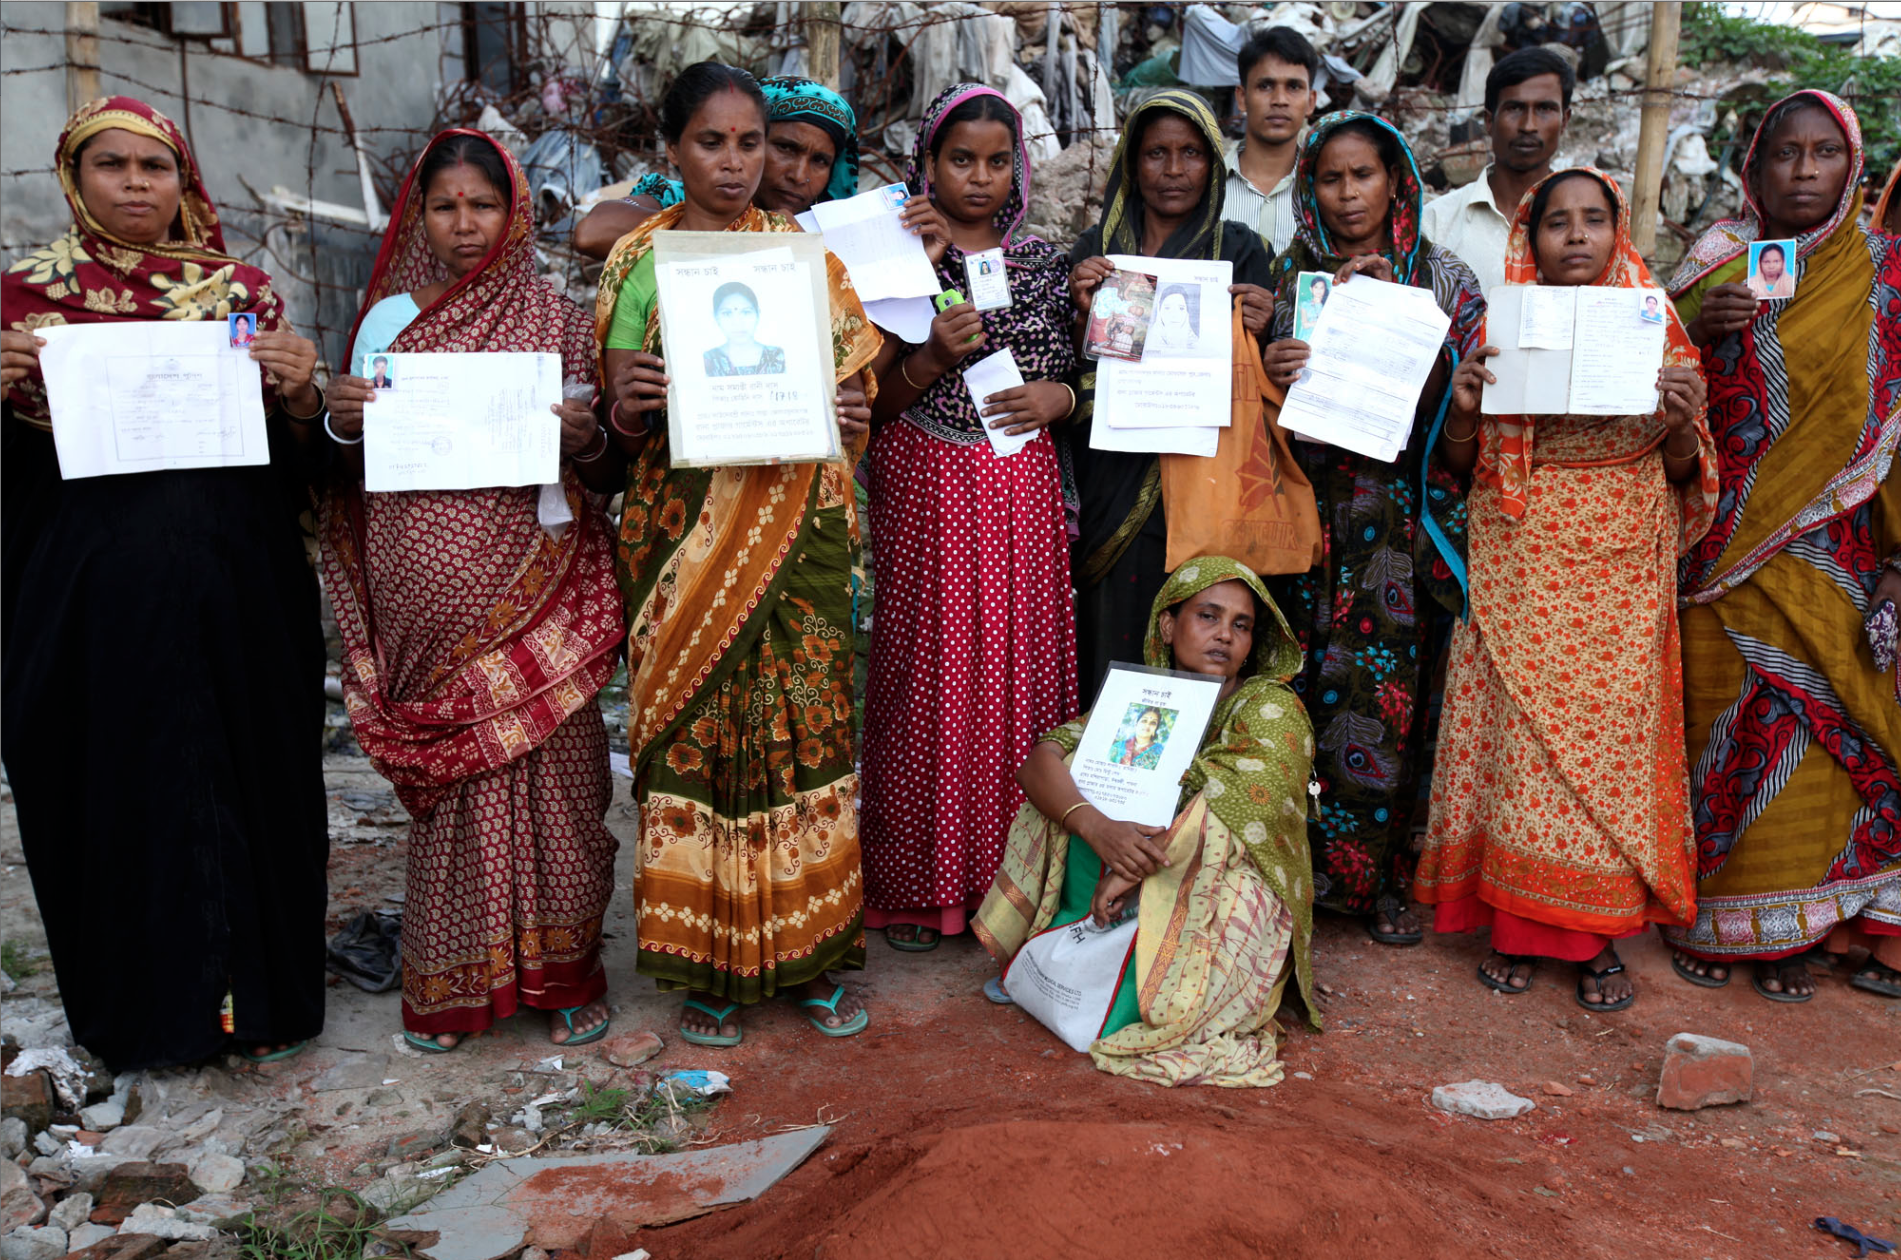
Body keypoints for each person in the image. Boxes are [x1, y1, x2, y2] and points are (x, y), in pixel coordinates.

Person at [0, 96, 329, 1069]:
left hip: (237, 600)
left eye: (156, 168)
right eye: (112, 165)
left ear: (184, 182)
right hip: (90, 613)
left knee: (252, 783)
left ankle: (262, 1009)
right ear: (75, 177)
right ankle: (141, 1023)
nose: (136, 185)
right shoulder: (23, 300)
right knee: (111, 793)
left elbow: (295, 462)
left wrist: (304, 389)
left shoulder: (240, 296)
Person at [320, 130, 626, 1053]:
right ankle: (451, 990)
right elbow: (350, 458)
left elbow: (607, 467)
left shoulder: (561, 320)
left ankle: (566, 975)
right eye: (446, 206)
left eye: (483, 205)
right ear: (419, 215)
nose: (465, 224)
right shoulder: (386, 324)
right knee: (454, 800)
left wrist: (584, 436)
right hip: (425, 587)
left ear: (515, 212)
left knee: (565, 782)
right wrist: (338, 423)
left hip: (540, 585)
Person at [599, 63, 883, 1045]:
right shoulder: (640, 266)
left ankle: (809, 954)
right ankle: (710, 965)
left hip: (795, 537)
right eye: (711, 143)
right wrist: (623, 402)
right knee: (700, 739)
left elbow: (854, 397)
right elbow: (615, 431)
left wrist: (852, 409)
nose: (734, 163)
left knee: (803, 736)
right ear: (671, 151)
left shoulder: (806, 265)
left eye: (749, 143)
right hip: (679, 542)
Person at [1413, 169, 1716, 1009]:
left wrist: (1686, 423)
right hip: (1520, 548)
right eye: (1556, 223)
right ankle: (1515, 927)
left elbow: (1689, 473)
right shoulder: (1504, 328)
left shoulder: (1656, 326)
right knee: (1522, 740)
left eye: (1592, 220)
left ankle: (1594, 936)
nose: (1574, 236)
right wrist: (1468, 407)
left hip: (1620, 553)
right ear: (1529, 236)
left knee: (1606, 747)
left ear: (1616, 232)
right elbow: (1458, 467)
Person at [1664, 90, 1901, 1003]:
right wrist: (1698, 329)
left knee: (1832, 735)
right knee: (1726, 732)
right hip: (1720, 547)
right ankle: (1726, 921)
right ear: (1752, 167)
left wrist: (1892, 560)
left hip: (1834, 551)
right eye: (1783, 155)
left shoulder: (1880, 276)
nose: (1802, 173)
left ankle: (1815, 924)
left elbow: (1891, 426)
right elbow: (1646, 376)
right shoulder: (1710, 265)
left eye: (1822, 155)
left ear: (1852, 169)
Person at [859, 85, 1080, 953]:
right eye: (960, 160)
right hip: (922, 471)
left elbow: (1071, 372)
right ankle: (921, 885)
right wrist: (924, 360)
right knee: (930, 663)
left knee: (1013, 667)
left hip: (1014, 476)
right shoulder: (894, 256)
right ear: (928, 164)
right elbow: (869, 399)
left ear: (1017, 165)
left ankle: (1009, 882)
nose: (979, 178)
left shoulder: (1041, 263)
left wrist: (1056, 396)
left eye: (996, 160)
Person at [1260, 112, 1485, 948]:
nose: (1347, 194)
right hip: (1306, 515)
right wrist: (1275, 365)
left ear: (1395, 180)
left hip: (1396, 521)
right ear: (1309, 188)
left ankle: (1383, 880)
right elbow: (1259, 409)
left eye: (1363, 175)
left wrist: (1410, 336)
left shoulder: (1446, 280)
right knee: (1298, 687)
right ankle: (1298, 875)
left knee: (1387, 703)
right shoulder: (1291, 277)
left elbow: (1469, 413)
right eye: (1329, 178)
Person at [973, 557, 1319, 1088]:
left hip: (1220, 878)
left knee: (1218, 846)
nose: (1224, 636)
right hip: (1132, 858)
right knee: (1076, 777)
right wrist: (1097, 828)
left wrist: (1136, 865)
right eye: (1208, 616)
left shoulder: (1269, 705)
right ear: (1168, 624)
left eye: (1241, 625)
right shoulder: (1145, 696)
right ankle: (1060, 946)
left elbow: (1247, 802)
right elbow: (1041, 759)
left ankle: (1143, 993)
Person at [1068, 88, 1278, 695]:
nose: (1174, 171)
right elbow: (1070, 375)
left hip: (1208, 485)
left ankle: (1196, 788)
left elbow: (1260, 383)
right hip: (1113, 480)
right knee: (1111, 645)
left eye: (1191, 153)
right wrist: (1082, 311)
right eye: (1156, 153)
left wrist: (1261, 330)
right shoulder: (1096, 253)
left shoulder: (1240, 250)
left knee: (1199, 638)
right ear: (1132, 163)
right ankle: (1102, 785)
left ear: (1214, 163)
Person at [574, 74, 859, 259]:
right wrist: (749, 233)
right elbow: (592, 233)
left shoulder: (833, 238)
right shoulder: (677, 200)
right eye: (785, 148)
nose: (799, 175)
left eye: (820, 161)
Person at [1421, 48, 1574, 296]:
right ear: (1489, 121)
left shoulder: (1588, 229)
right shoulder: (1436, 223)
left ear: (1565, 121)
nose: (1528, 126)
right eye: (1515, 109)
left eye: (1545, 109)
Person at [1225, 27, 1319, 254]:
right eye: (1265, 86)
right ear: (1242, 97)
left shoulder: (1324, 191)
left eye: (1294, 87)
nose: (1279, 100)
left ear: (1311, 101)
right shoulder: (1206, 184)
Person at [702, 281, 785, 376]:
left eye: (746, 312)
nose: (738, 323)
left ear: (758, 314)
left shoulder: (777, 356)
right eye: (727, 313)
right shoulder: (708, 359)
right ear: (715, 317)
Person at [1148, 284, 1200, 354]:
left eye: (1181, 308)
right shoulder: (1149, 341)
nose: (1174, 315)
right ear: (1159, 310)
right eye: (1167, 308)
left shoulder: (1195, 344)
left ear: (1187, 312)